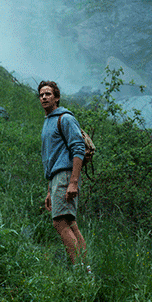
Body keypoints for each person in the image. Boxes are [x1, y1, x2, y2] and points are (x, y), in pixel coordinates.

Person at [38, 80, 90, 272]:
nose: (44, 97)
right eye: (41, 94)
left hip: (66, 175)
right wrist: (50, 190)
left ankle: (79, 270)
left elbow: (78, 149)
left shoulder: (65, 118)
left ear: (57, 98)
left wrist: (73, 182)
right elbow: (53, 158)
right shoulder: (48, 121)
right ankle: (85, 269)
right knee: (70, 222)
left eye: (48, 94)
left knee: (59, 222)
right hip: (57, 178)